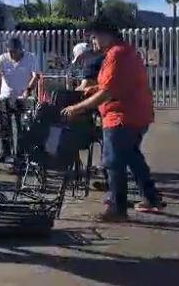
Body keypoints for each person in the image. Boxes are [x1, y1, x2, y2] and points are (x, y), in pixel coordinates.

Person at [61, 17, 163, 222]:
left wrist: (77, 108)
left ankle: (117, 208)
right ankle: (151, 198)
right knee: (133, 157)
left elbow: (108, 92)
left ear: (105, 35)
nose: (93, 42)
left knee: (113, 162)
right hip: (136, 114)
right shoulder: (124, 52)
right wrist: (93, 89)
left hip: (121, 116)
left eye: (94, 37)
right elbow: (113, 84)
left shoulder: (117, 55)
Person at [0, 37, 41, 162]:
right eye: (10, 52)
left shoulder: (30, 58)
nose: (12, 55)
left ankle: (21, 153)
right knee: (4, 124)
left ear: (20, 50)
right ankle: (5, 151)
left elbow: (36, 76)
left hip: (22, 98)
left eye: (14, 52)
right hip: (6, 97)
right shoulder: (3, 59)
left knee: (21, 125)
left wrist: (28, 90)